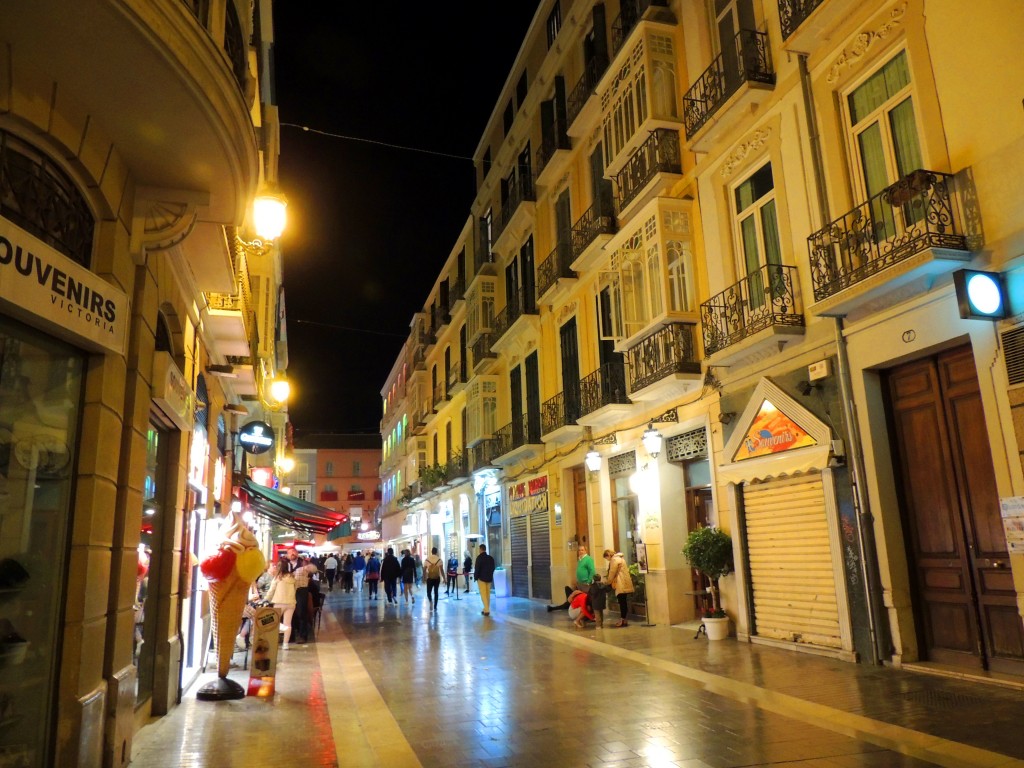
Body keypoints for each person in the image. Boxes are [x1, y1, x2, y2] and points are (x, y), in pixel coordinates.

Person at [265, 559, 297, 650]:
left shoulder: (277, 578)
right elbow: (295, 590)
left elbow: (271, 591)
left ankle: (273, 642)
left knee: (274, 623)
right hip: (291, 603)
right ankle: (285, 644)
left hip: (279, 602)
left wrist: (266, 599)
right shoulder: (292, 578)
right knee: (288, 624)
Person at [291, 553, 319, 644]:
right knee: (297, 614)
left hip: (300, 592)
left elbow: (313, 569)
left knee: (301, 613)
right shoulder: (293, 567)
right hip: (296, 592)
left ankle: (302, 635)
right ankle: (297, 634)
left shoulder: (301, 569)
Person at [603, 549, 634, 628]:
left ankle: (622, 619)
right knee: (624, 602)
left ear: (608, 555)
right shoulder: (620, 558)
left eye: (607, 558)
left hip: (620, 583)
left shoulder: (614, 560)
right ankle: (624, 619)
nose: (607, 560)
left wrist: (608, 582)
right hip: (625, 582)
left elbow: (612, 572)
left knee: (622, 602)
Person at [474, 543, 496, 616]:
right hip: (489, 578)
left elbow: (477, 569)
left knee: (483, 594)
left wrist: (475, 577)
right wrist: (490, 574)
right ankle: (486, 608)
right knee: (488, 594)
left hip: (481, 579)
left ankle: (486, 610)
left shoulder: (479, 558)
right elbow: (493, 567)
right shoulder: (490, 558)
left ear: (480, 549)